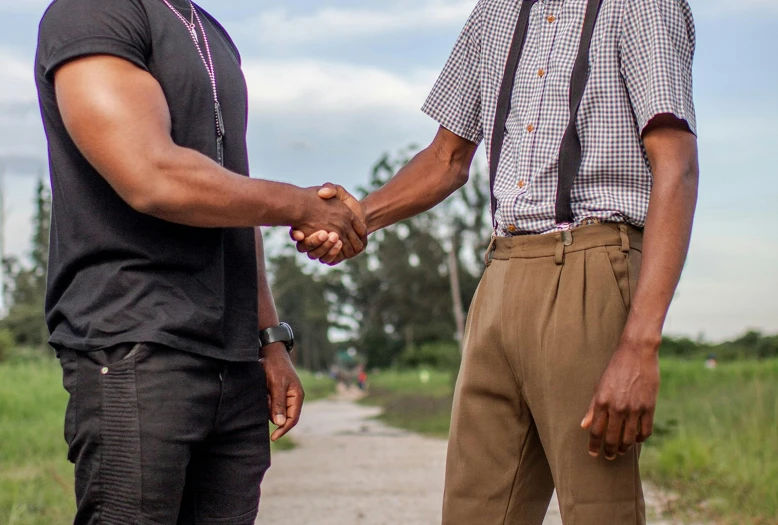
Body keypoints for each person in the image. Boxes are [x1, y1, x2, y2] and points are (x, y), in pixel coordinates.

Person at [296, 0, 698, 523]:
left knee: (599, 507)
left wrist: (640, 346)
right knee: (475, 507)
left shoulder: (642, 6)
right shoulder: (496, 11)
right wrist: (356, 220)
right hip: (501, 269)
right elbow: (446, 158)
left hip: (591, 266)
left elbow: (678, 167)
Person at [35, 0, 366, 522]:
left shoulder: (211, 32)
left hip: (232, 359)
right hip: (136, 341)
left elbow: (231, 191)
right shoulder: (94, 11)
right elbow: (152, 175)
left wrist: (269, 340)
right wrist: (302, 204)